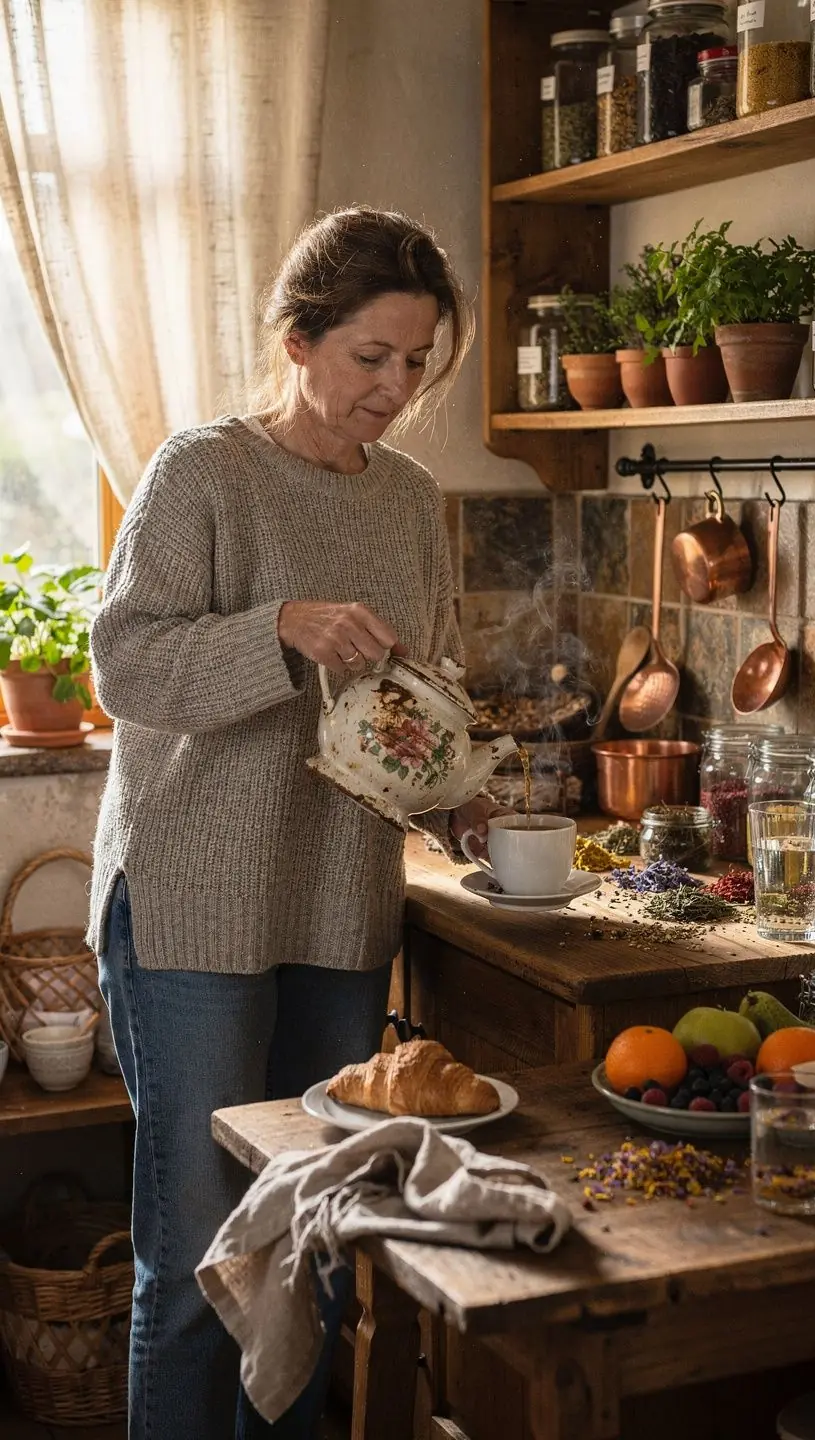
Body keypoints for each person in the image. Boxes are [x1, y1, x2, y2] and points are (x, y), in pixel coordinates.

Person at [89, 205, 501, 1440]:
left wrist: (460, 791)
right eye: (373, 356)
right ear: (299, 339)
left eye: (418, 360)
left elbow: (403, 703)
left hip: (337, 903)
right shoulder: (204, 471)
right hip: (191, 903)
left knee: (315, 1242)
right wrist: (276, 626)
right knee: (204, 1254)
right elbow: (122, 666)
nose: (397, 387)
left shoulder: (411, 499)